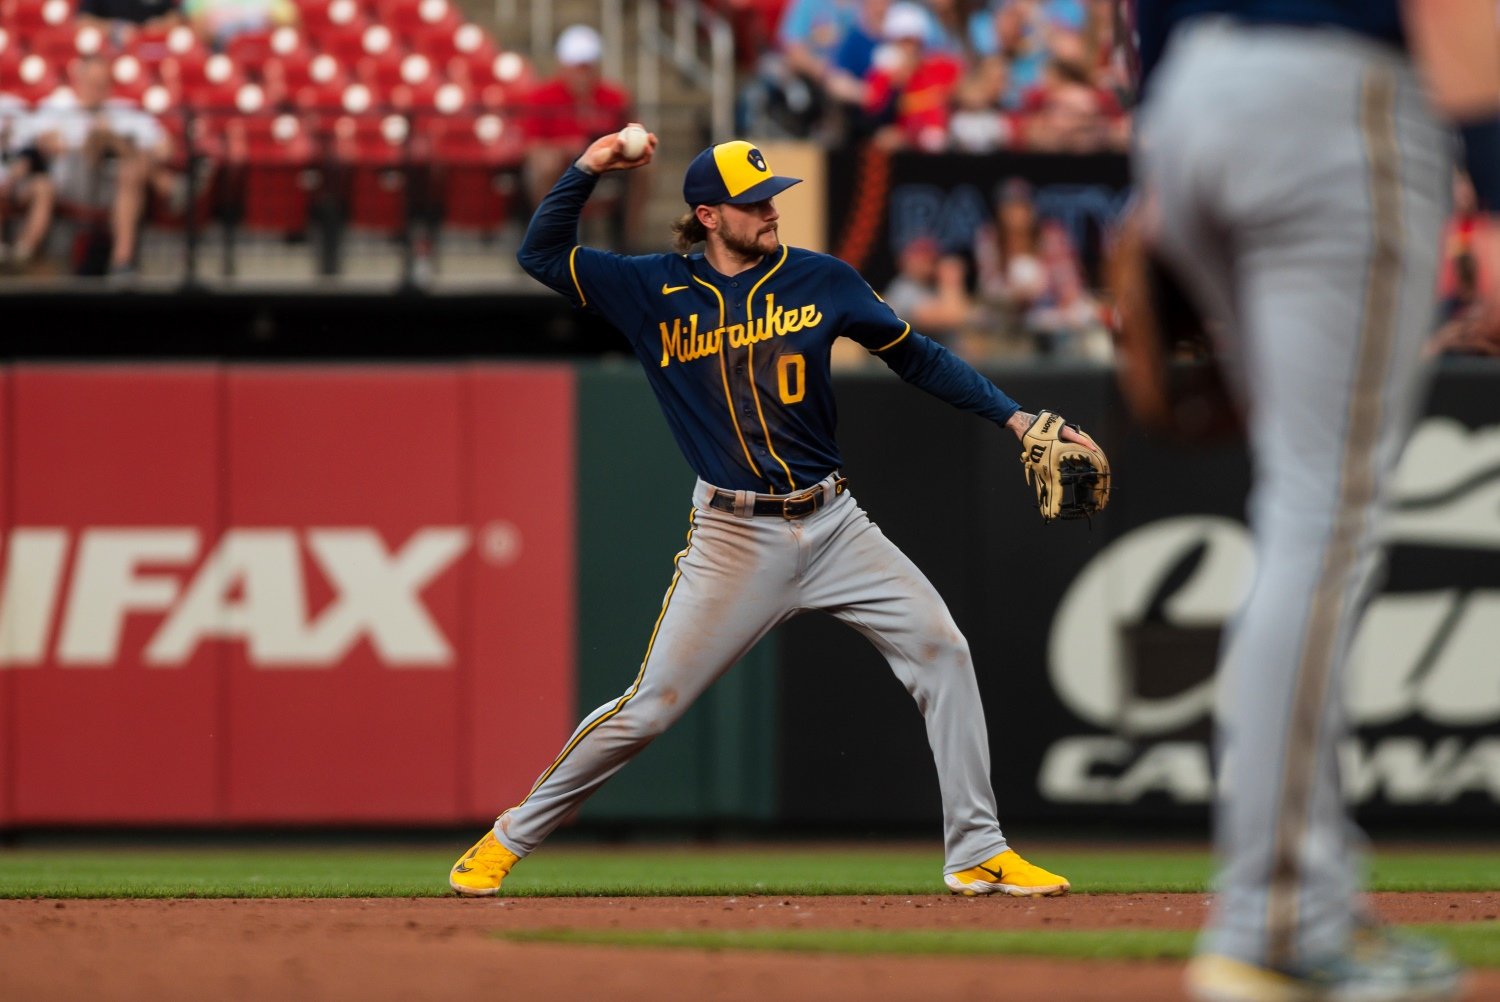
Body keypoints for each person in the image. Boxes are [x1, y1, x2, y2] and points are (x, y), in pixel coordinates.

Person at [449, 128, 1094, 899]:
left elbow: (915, 353)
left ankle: (977, 849)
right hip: (733, 535)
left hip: (835, 523)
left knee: (942, 651)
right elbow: (542, 257)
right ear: (709, 216)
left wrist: (1016, 419)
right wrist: (588, 165)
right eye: (751, 203)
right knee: (649, 709)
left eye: (771, 197)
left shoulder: (822, 279)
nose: (770, 210)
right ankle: (508, 837)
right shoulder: (650, 286)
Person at [1133, 1, 1494, 998]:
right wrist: (1497, 202)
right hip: (1337, 101)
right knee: (1321, 517)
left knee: (1296, 511)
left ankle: (1310, 895)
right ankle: (1276, 914)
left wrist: (1153, 152)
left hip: (1193, 101)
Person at [28, 57, 175, 277]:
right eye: (92, 82)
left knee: (130, 169)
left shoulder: (124, 111)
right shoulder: (57, 108)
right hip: (72, 184)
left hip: (114, 188)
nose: (97, 89)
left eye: (102, 83)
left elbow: (165, 147)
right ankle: (162, 181)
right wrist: (107, 141)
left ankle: (121, 260)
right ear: (79, 80)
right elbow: (36, 143)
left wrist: (117, 142)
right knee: (100, 139)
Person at [520, 25, 638, 246]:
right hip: (562, 166)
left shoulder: (614, 96)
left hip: (607, 164)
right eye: (577, 66)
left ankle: (628, 241)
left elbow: (633, 131)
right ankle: (549, 241)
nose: (583, 72)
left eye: (588, 65)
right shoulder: (541, 96)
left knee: (646, 165)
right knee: (544, 164)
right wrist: (566, 148)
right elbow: (530, 145)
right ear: (562, 65)